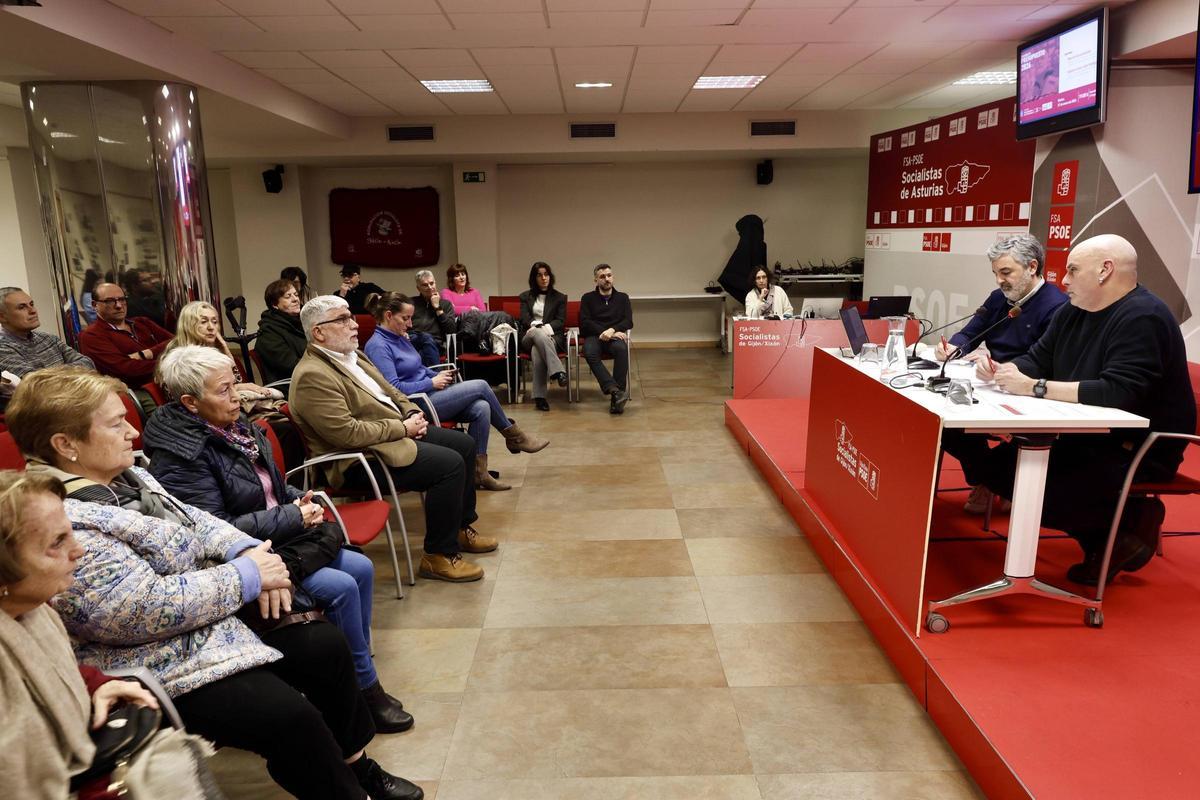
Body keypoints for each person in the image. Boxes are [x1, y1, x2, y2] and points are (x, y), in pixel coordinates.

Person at [8, 367, 424, 800]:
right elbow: (139, 609)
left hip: (208, 624)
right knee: (289, 717)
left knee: (324, 647)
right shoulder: (62, 518)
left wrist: (248, 552)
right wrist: (248, 577)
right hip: (156, 659)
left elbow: (198, 521)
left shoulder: (130, 478)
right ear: (66, 444)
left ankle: (357, 766)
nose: (133, 431)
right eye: (116, 424)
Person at [143, 345, 412, 734]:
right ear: (190, 402)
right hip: (245, 555)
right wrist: (292, 515)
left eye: (235, 384)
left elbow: (269, 485)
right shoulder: (181, 455)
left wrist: (294, 500)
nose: (236, 396)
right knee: (339, 586)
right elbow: (215, 529)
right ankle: (363, 689)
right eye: (223, 390)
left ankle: (354, 670)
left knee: (363, 568)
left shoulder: (236, 427)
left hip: (282, 535)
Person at [947, 234, 1196, 586]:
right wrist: (1005, 371)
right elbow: (1035, 360)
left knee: (1042, 482)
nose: (1062, 280)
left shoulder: (1144, 316)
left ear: (1105, 271)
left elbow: (1119, 392)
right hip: (1086, 433)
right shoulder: (1072, 312)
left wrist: (1035, 387)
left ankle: (1121, 525)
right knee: (1000, 467)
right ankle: (1117, 531)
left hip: (1138, 446)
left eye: (1073, 270)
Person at [288, 296, 496, 583]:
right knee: (449, 465)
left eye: (350, 316)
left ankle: (459, 528)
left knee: (464, 444)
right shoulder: (313, 375)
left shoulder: (353, 355)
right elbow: (348, 433)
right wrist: (403, 428)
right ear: (318, 332)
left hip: (388, 436)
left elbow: (391, 391)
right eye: (342, 319)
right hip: (357, 461)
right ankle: (438, 555)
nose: (353, 324)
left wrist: (412, 412)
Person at [0, 470, 162, 800]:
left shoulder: (32, 610)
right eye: (57, 542)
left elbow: (54, 673)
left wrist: (99, 685)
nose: (79, 551)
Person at [936, 234, 1068, 513]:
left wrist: (1005, 370)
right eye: (996, 273)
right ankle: (994, 481)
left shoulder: (1056, 305)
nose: (999, 280)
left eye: (1006, 272)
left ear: (1032, 267)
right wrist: (954, 349)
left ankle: (994, 481)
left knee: (958, 426)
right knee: (943, 423)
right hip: (992, 385)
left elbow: (1045, 359)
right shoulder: (999, 298)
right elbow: (970, 333)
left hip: (1030, 391)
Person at [364, 293, 548, 492]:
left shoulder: (399, 337)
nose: (409, 324)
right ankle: (515, 437)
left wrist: (437, 374)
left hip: (429, 394)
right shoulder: (378, 346)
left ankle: (479, 474)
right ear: (389, 315)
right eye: (405, 318)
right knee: (481, 386)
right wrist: (431, 382)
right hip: (416, 405)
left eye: (410, 318)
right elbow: (393, 389)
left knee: (481, 407)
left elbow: (418, 368)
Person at [0, 287, 94, 411]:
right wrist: (72, 372)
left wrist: (48, 374)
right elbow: (38, 385)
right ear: (2, 317)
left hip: (75, 401)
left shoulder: (49, 339)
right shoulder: (3, 348)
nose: (33, 310)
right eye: (22, 307)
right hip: (43, 414)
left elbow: (88, 363)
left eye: (32, 304)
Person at [78, 281, 173, 387]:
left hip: (168, 380)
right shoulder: (91, 336)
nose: (118, 305)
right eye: (109, 301)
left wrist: (148, 353)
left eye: (122, 299)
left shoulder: (142, 322)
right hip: (138, 391)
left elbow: (178, 342)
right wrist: (171, 362)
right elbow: (126, 370)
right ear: (94, 305)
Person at [579, 263, 633, 414]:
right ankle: (615, 391)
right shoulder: (587, 298)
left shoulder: (623, 298)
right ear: (596, 280)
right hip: (594, 337)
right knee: (589, 351)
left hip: (614, 337)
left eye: (609, 275)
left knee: (622, 349)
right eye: (602, 276)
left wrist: (612, 330)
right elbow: (584, 323)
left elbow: (628, 321)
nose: (606, 279)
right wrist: (604, 331)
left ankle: (617, 399)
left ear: (613, 277)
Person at [518, 262, 569, 412]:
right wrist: (535, 326)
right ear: (534, 278)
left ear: (550, 276)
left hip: (551, 336)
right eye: (539, 275)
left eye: (546, 274)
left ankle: (540, 398)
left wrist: (544, 329)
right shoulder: (525, 296)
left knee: (537, 351)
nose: (544, 278)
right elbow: (524, 318)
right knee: (536, 334)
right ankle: (558, 371)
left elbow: (560, 321)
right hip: (529, 335)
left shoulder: (559, 297)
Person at [256, 278, 308, 385]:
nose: (295, 299)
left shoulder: (303, 323)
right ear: (275, 304)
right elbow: (293, 366)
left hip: (310, 378)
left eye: (296, 295)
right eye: (288, 296)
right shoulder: (268, 333)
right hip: (292, 387)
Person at [411, 269, 457, 353]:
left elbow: (451, 330)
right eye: (425, 285)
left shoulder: (445, 304)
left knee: (426, 344)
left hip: (434, 343)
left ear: (435, 283)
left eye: (432, 283)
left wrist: (437, 307)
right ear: (418, 288)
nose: (430, 287)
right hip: (413, 341)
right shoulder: (411, 303)